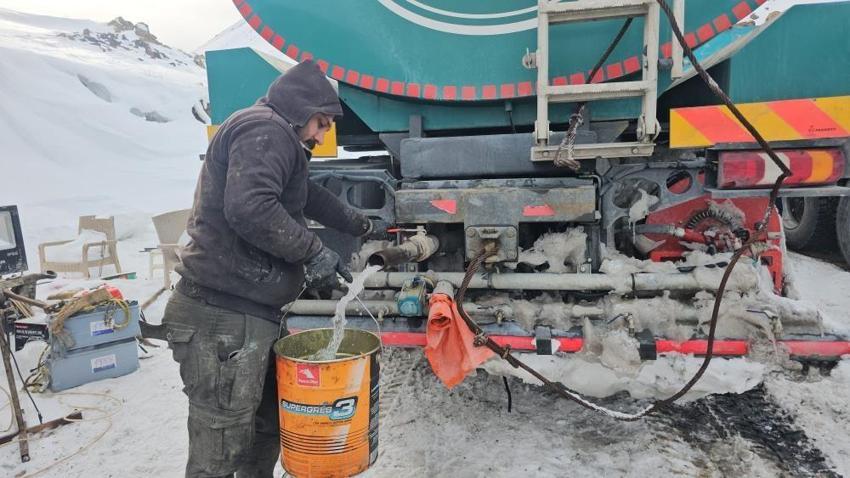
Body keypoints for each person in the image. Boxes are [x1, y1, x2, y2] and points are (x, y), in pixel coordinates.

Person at [162, 60, 381, 477]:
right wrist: (312, 251)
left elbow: (305, 195)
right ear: (300, 109)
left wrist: (358, 223)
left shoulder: (278, 138)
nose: (320, 135)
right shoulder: (265, 129)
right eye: (320, 123)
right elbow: (250, 207)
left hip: (249, 313)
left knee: (266, 426)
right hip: (221, 316)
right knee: (222, 441)